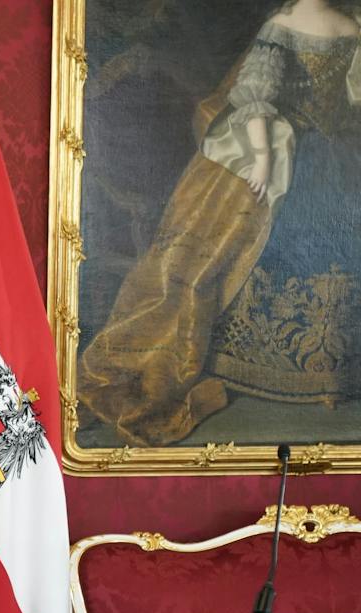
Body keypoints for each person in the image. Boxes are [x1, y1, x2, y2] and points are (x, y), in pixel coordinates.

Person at [79, 0, 361, 446]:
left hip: (318, 156)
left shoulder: (311, 24)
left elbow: (270, 96)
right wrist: (266, 159)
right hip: (319, 158)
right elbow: (259, 96)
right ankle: (281, 365)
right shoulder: (330, 24)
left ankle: (327, 369)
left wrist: (271, 157)